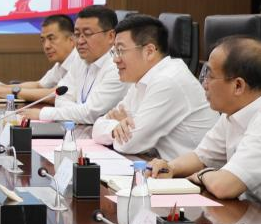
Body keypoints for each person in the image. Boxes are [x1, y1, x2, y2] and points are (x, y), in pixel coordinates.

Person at [147, 36, 261, 221]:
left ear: (238, 85)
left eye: (209, 76)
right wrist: (170, 167)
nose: (204, 84)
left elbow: (224, 186)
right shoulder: (236, 111)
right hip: (258, 217)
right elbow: (201, 157)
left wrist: (203, 175)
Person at [92, 13, 217, 159]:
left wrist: (120, 128)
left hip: (193, 171)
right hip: (162, 165)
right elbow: (97, 127)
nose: (115, 59)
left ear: (149, 51)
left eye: (120, 51)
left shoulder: (168, 80)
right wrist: (115, 128)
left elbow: (129, 144)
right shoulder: (142, 79)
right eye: (114, 52)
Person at [25, 5, 128, 124]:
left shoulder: (119, 67)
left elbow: (90, 113)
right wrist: (77, 113)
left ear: (111, 36)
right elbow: (61, 97)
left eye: (87, 34)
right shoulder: (80, 59)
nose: (80, 41)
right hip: (77, 128)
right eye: (77, 34)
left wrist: (42, 114)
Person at [0, 14, 81, 104]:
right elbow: (39, 85)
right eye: (43, 40)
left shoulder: (79, 61)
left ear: (71, 40)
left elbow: (54, 95)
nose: (46, 46)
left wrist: (11, 91)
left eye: (51, 38)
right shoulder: (60, 64)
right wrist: (3, 87)